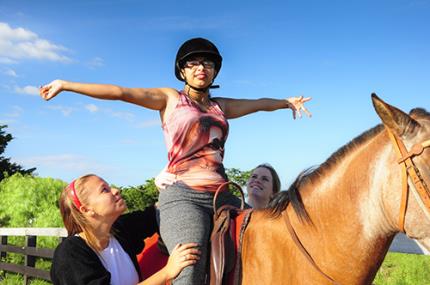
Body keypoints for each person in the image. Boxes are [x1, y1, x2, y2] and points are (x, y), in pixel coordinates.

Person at [40, 37, 312, 284]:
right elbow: (120, 91)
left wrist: (286, 102)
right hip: (185, 197)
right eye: (193, 63)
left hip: (223, 195)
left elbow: (257, 103)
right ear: (182, 71)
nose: (200, 68)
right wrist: (66, 85)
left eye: (207, 63)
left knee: (269, 245)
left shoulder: (221, 106)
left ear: (215, 70)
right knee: (189, 267)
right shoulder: (170, 99)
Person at [50, 174, 200, 285]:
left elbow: (154, 213)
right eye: (105, 190)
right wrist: (167, 272)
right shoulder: (70, 253)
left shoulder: (119, 230)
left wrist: (166, 187)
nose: (116, 190)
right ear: (86, 209)